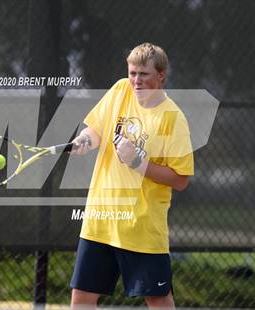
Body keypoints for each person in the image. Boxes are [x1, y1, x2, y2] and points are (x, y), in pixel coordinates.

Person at [69, 42, 194, 308]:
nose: (136, 81)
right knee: (81, 297)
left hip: (141, 227)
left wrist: (138, 162)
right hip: (100, 220)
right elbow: (95, 131)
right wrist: (83, 141)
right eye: (132, 73)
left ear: (161, 75)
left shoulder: (173, 118)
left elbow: (181, 179)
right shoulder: (119, 91)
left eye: (143, 74)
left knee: (157, 298)